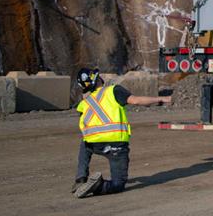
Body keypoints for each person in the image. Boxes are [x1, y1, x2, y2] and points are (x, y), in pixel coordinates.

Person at [73, 67, 171, 198]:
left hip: (95, 144)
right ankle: (99, 186)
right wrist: (161, 99)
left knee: (85, 143)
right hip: (116, 146)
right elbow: (136, 100)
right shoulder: (114, 90)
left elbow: (84, 126)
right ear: (98, 79)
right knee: (117, 185)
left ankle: (81, 178)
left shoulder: (84, 103)